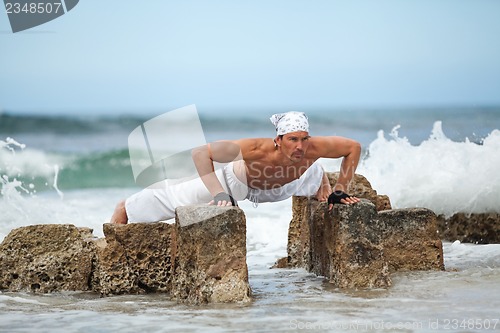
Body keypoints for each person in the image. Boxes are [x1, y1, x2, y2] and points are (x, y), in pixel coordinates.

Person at [111, 111, 361, 224]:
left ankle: (320, 178)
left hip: (282, 186)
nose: (300, 146)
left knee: (308, 170)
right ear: (278, 140)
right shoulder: (255, 148)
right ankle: (126, 207)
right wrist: (219, 192)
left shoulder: (314, 148)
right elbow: (200, 153)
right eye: (292, 139)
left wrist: (341, 189)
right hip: (237, 183)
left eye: (304, 139)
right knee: (168, 200)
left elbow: (353, 148)